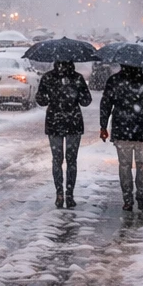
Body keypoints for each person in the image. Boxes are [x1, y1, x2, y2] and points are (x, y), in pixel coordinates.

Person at [100, 64, 143, 211]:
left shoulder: (114, 81)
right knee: (142, 165)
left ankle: (127, 199)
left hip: (122, 129)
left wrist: (103, 126)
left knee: (124, 165)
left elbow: (106, 104)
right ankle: (140, 196)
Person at [35, 60, 92, 208]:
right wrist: (75, 96)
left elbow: (40, 99)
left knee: (57, 159)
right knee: (71, 160)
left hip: (55, 121)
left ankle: (59, 193)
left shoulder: (48, 77)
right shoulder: (77, 78)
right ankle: (69, 194)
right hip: (73, 121)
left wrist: (51, 98)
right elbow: (86, 101)